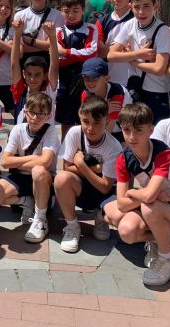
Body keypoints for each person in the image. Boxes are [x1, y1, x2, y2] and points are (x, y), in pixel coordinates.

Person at [103, 103, 170, 287]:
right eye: (126, 130)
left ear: (151, 130)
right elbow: (122, 204)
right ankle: (157, 239)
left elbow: (146, 198)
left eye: (139, 130)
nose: (132, 137)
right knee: (124, 229)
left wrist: (136, 193)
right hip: (155, 205)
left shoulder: (163, 154)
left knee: (150, 207)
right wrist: (143, 193)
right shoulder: (123, 158)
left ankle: (167, 258)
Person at [0, 92, 60, 243]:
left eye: (40, 114)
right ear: (25, 112)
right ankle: (27, 201)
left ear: (48, 116)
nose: (35, 118)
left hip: (43, 179)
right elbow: (4, 161)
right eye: (32, 112)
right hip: (19, 176)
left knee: (38, 170)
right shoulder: (18, 129)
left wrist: (17, 161)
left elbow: (45, 162)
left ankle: (40, 218)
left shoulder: (51, 131)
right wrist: (34, 158)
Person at [55, 95, 122, 253]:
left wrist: (81, 164)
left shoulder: (113, 146)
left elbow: (106, 187)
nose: (90, 128)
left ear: (107, 121)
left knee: (118, 219)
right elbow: (66, 167)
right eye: (86, 121)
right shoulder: (74, 133)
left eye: (97, 123)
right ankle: (72, 226)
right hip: (83, 188)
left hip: (104, 193)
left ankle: (101, 216)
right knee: (61, 179)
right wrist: (95, 169)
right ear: (80, 116)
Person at [108, 0, 170, 123]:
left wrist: (133, 61)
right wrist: (138, 54)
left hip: (157, 91)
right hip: (135, 89)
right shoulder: (130, 24)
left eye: (146, 6)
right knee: (134, 129)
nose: (141, 12)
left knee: (155, 132)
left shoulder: (163, 31)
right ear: (131, 6)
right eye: (137, 7)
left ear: (156, 6)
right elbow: (111, 56)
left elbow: (159, 68)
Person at [55, 0, 100, 138]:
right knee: (66, 120)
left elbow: (92, 52)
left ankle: (87, 146)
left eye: (75, 11)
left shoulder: (91, 28)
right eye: (66, 11)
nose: (71, 15)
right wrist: (79, 55)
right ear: (61, 11)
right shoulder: (58, 31)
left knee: (87, 117)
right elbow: (58, 59)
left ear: (83, 10)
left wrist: (66, 52)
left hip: (87, 80)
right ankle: (66, 148)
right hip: (65, 82)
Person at [10, 19, 60, 124]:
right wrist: (17, 34)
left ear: (45, 76)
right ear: (24, 74)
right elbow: (14, 65)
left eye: (37, 75)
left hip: (46, 135)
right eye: (29, 74)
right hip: (22, 135)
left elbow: (54, 68)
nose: (32, 79)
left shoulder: (49, 91)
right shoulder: (20, 91)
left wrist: (52, 37)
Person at [14, 0, 65, 65]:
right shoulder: (20, 16)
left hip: (48, 62)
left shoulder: (57, 16)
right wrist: (45, 46)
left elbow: (56, 45)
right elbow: (20, 47)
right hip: (25, 63)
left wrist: (31, 41)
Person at [79, 58, 131, 143]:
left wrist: (95, 112)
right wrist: (104, 110)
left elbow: (108, 131)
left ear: (106, 79)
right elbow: (85, 119)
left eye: (95, 78)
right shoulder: (85, 94)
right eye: (86, 78)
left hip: (122, 131)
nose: (90, 82)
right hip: (99, 128)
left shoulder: (117, 93)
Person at [96, 0, 134, 86]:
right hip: (108, 80)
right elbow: (99, 52)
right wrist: (123, 51)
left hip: (133, 80)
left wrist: (112, 50)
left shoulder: (138, 20)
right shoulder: (101, 21)